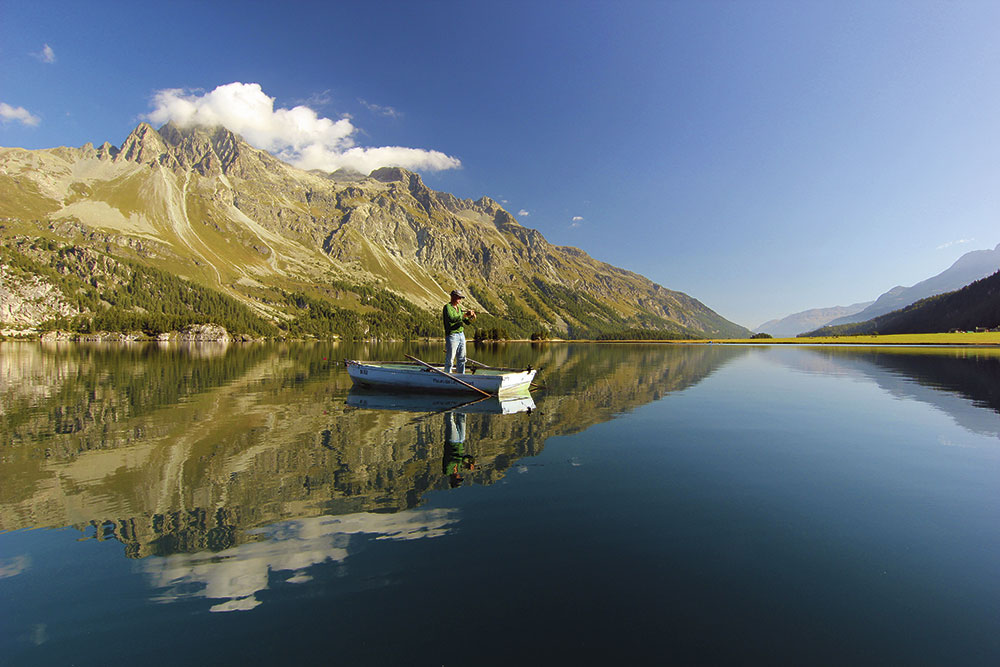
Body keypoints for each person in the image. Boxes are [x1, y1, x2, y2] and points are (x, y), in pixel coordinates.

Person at [443, 289, 476, 374]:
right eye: (458, 297)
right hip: (452, 335)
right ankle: (447, 375)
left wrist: (472, 318)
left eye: (460, 298)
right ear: (453, 297)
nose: (460, 299)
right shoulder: (447, 307)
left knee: (462, 358)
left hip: (461, 335)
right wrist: (465, 314)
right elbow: (452, 319)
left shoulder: (459, 308)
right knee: (450, 358)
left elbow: (466, 322)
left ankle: (461, 375)